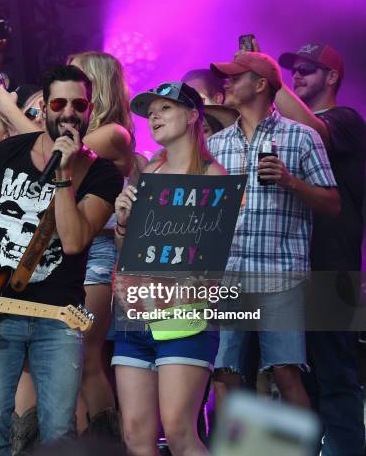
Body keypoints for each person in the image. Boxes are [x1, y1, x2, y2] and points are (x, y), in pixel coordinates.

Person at [0, 64, 123, 456]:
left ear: (90, 109)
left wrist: (64, 175)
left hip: (58, 319)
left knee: (59, 433)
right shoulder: (5, 155)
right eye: (59, 103)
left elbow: (73, 242)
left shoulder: (103, 174)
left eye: (79, 104)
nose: (70, 112)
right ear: (43, 107)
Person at [206, 52, 340, 410]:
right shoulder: (216, 144)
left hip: (280, 274)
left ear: (262, 84)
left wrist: (290, 181)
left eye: (236, 77)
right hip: (229, 276)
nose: (227, 83)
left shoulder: (302, 137)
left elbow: (333, 203)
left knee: (285, 372)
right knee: (224, 372)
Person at [113, 81, 225, 456]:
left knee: (178, 431)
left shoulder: (213, 176)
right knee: (135, 437)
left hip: (184, 314)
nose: (154, 116)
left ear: (193, 115)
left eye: (166, 108)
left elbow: (209, 258)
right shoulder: (146, 175)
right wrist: (125, 223)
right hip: (134, 314)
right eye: (151, 111)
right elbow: (126, 253)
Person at [275, 42, 365, 456]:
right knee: (299, 376)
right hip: (293, 265)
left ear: (332, 77)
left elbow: (315, 131)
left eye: (309, 69)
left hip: (334, 266)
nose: (298, 75)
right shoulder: (286, 126)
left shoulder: (346, 119)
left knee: (337, 374)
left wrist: (268, 82)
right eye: (293, 70)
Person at [64, 51, 134, 437]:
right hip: (69, 253)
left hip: (98, 254)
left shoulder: (112, 134)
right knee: (68, 357)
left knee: (86, 355)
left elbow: (56, 155)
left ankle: (106, 444)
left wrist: (10, 107)